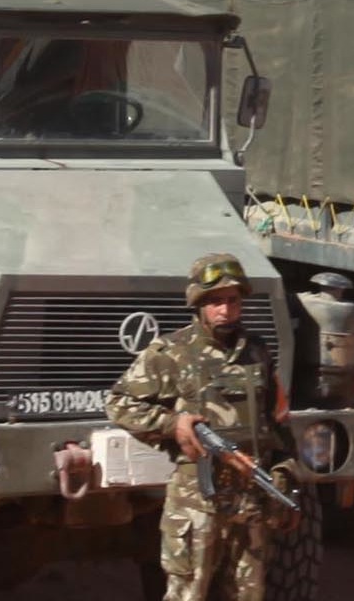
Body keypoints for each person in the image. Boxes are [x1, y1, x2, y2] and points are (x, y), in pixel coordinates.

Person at [108, 254, 291, 600]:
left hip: (250, 499)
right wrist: (172, 424)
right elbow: (120, 402)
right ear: (198, 304)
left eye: (232, 300)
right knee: (188, 594)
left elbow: (277, 421)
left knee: (249, 594)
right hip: (196, 504)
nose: (225, 310)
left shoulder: (258, 353)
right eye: (215, 301)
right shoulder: (172, 352)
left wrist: (285, 470)